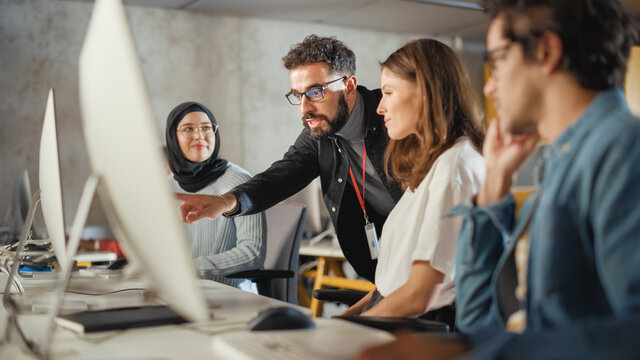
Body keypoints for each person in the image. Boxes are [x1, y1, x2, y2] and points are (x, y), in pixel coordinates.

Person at [357, 0, 640, 358]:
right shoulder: (559, 164)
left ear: (547, 51)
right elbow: (479, 324)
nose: (490, 87)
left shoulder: (623, 152)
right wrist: (493, 189)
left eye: (500, 59)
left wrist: (457, 352)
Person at [176, 35, 403, 282]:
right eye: (297, 95)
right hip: (391, 256)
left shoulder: (394, 115)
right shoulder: (319, 135)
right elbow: (279, 178)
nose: (304, 108)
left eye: (315, 92)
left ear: (348, 86)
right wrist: (227, 201)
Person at [340, 39, 484, 325]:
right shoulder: (434, 166)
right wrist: (342, 319)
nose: (380, 108)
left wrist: (351, 327)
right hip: (399, 316)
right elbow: (396, 281)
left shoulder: (453, 168)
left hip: (419, 329)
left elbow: (420, 294)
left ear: (424, 94)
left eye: (388, 93)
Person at [166, 102, 265, 289]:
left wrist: (193, 268)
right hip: (180, 293)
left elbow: (253, 253)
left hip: (231, 294)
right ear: (173, 136)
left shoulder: (240, 181)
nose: (199, 135)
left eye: (206, 128)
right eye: (188, 129)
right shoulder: (166, 187)